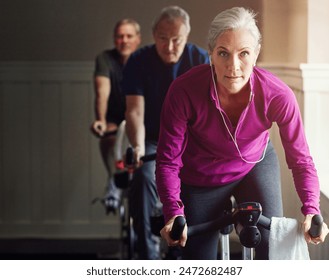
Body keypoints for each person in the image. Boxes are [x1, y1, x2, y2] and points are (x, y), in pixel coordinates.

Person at [156, 7, 329, 260]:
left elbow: (301, 159)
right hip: (201, 175)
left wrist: (312, 210)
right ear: (211, 54)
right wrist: (173, 212)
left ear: (256, 54)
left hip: (254, 163)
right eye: (223, 53)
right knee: (197, 258)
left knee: (271, 246)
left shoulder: (278, 95)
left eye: (244, 53)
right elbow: (168, 161)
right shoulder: (183, 91)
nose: (233, 66)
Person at [122, 6, 209, 259]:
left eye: (176, 40)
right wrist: (137, 148)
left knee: (196, 181)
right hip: (152, 140)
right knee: (142, 176)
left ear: (187, 36)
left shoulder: (200, 60)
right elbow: (135, 112)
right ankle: (147, 253)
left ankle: (180, 251)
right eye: (163, 38)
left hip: (190, 143)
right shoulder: (138, 61)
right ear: (153, 34)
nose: (169, 46)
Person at [90, 19, 141, 214]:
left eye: (129, 36)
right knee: (108, 139)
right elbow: (102, 92)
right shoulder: (105, 58)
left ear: (138, 39)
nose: (124, 40)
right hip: (114, 117)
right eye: (120, 36)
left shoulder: (143, 59)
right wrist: (100, 120)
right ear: (114, 39)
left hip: (139, 116)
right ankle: (114, 182)